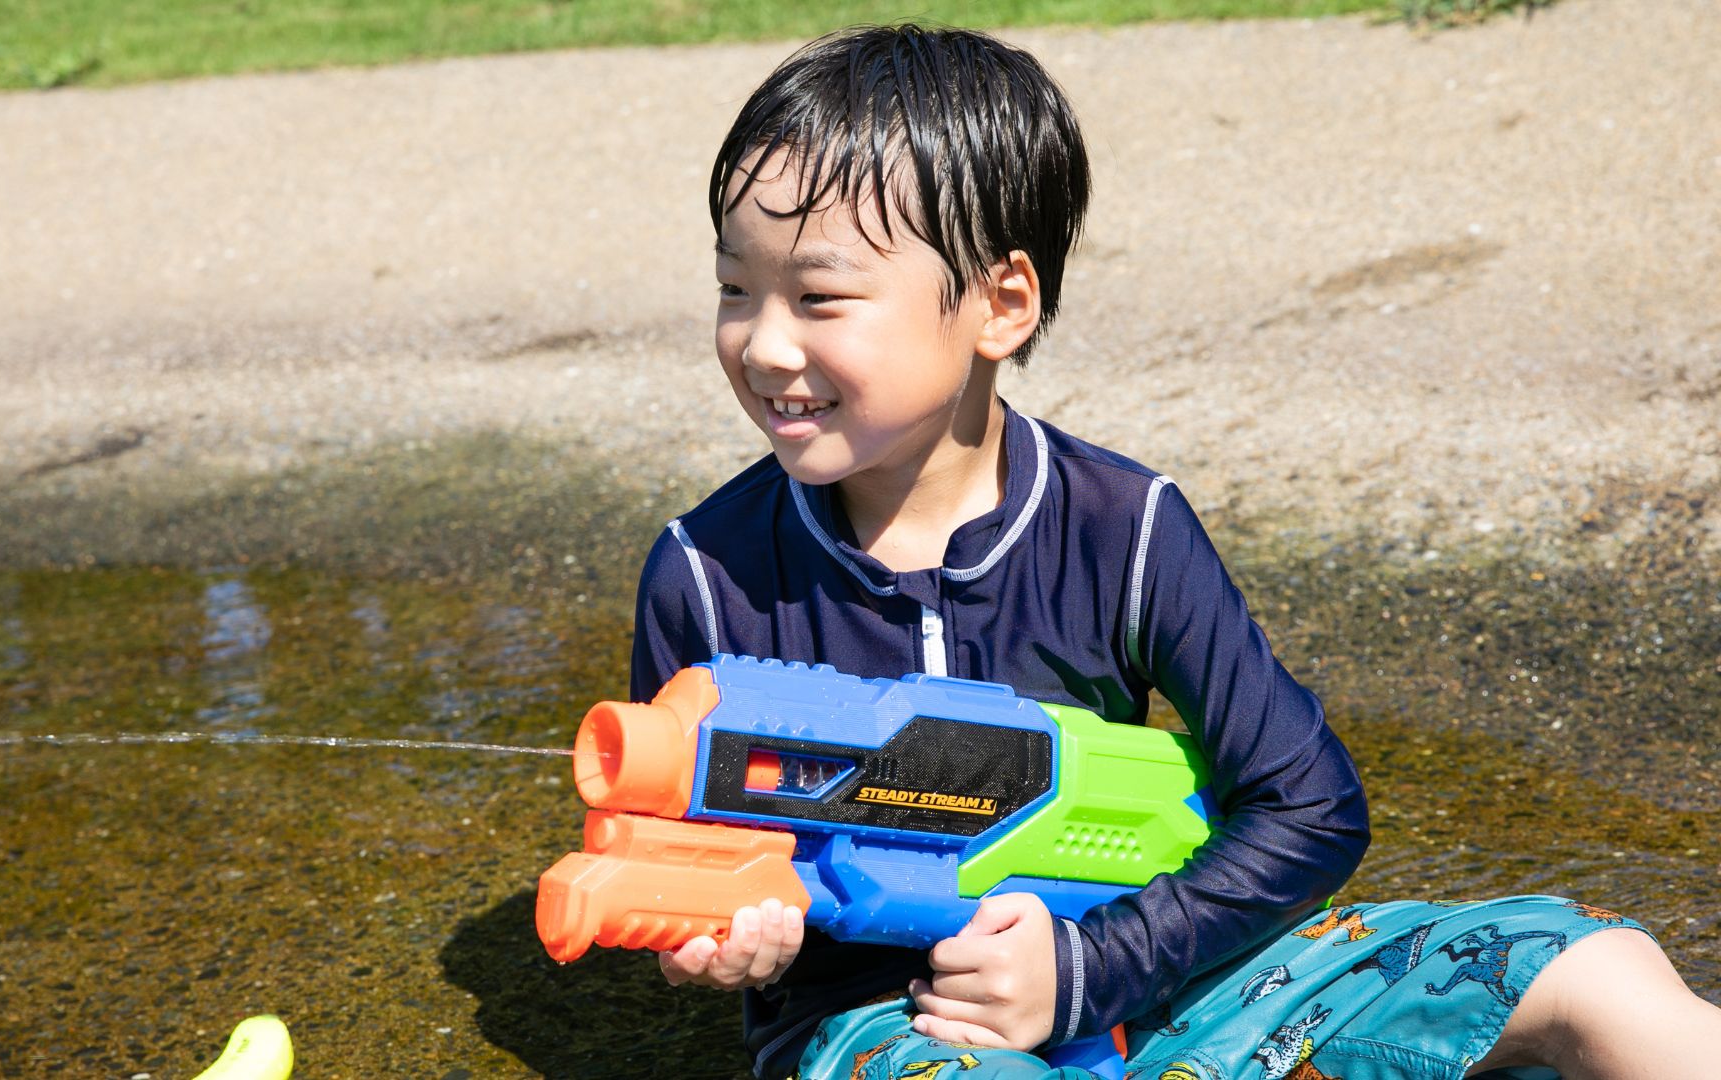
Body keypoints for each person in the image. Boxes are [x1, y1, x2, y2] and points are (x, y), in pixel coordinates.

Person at [627, 23, 1721, 1080]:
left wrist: (1091, 967)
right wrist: (727, 948)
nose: (764, 344)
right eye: (735, 287)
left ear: (1001, 304)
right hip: (891, 1027)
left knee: (1600, 974)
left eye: (818, 297)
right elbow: (674, 864)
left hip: (1158, 972)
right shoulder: (704, 576)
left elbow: (1309, 808)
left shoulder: (1125, 525)